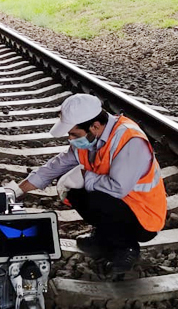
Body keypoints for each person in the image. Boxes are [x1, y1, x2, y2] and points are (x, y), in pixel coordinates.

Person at [11, 94, 167, 275]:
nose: (70, 139)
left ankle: (127, 248)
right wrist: (16, 190)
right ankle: (103, 237)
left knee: (92, 196)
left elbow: (117, 188)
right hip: (120, 205)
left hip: (144, 216)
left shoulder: (130, 140)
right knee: (74, 192)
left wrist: (86, 176)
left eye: (74, 134)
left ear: (95, 126)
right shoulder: (89, 139)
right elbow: (57, 165)